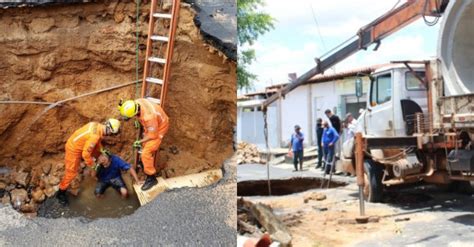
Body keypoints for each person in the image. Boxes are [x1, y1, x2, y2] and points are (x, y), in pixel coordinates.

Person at [57, 119, 121, 205]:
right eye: (112, 133)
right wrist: (93, 165)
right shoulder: (94, 136)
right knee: (71, 173)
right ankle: (60, 193)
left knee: (99, 154)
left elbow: (96, 141)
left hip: (79, 143)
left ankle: (100, 174)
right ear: (110, 130)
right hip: (73, 149)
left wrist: (102, 150)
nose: (110, 135)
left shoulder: (96, 125)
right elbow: (86, 155)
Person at [118, 98, 169, 191]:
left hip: (160, 128)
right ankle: (146, 162)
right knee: (145, 144)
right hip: (152, 124)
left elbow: (152, 135)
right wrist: (121, 107)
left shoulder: (149, 118)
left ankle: (151, 178)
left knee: (146, 153)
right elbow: (127, 108)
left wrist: (140, 141)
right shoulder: (136, 102)